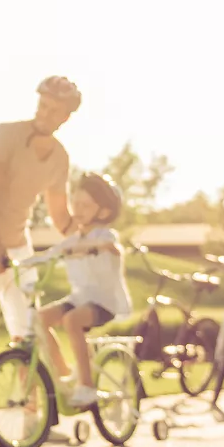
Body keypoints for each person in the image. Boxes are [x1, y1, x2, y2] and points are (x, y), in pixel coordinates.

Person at [0, 76, 80, 444]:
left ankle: (32, 421)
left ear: (66, 117)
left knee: (29, 332)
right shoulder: (4, 136)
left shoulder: (59, 157)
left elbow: (61, 217)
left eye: (53, 109)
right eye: (42, 104)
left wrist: (92, 234)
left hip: (19, 246)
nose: (44, 113)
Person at [35, 172, 132, 408]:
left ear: (104, 212)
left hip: (104, 303)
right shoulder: (73, 239)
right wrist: (20, 262)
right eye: (75, 203)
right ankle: (65, 372)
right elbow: (50, 253)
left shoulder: (106, 236)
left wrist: (91, 247)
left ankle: (87, 386)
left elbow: (112, 247)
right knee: (39, 319)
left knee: (71, 320)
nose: (77, 209)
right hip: (80, 299)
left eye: (84, 205)